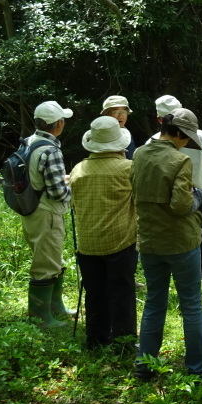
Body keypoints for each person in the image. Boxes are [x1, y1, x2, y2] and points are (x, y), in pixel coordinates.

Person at [132, 108, 202, 381]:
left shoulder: (139, 154)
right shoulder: (179, 161)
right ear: (178, 133)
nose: (187, 142)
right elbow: (181, 206)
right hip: (181, 242)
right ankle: (197, 368)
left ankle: (144, 365)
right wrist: (199, 198)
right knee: (191, 304)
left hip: (148, 241)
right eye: (186, 138)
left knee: (154, 303)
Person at [153, 95, 202, 314]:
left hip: (167, 203)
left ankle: (185, 302)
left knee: (176, 247)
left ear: (159, 120)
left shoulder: (152, 142)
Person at [69, 116, 137, 350]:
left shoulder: (79, 169)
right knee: (122, 293)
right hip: (121, 240)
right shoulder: (128, 168)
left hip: (87, 243)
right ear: (120, 144)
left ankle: (95, 340)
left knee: (94, 292)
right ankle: (124, 343)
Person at [22, 100, 75, 328]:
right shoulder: (50, 150)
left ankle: (56, 307)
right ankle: (41, 318)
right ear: (59, 124)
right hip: (47, 212)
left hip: (32, 209)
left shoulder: (30, 142)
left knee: (51, 259)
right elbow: (56, 193)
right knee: (45, 264)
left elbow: (37, 177)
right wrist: (74, 188)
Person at [101, 95, 137, 159]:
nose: (120, 116)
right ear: (106, 114)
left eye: (123, 112)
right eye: (116, 112)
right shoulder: (99, 133)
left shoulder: (126, 133)